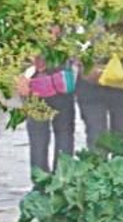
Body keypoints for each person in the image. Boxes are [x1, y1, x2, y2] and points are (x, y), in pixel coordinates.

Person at [17, 53, 79, 182]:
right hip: (59, 85)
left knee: (38, 137)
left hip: (33, 88)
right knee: (64, 133)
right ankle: (63, 179)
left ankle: (40, 181)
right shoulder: (63, 40)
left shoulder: (27, 37)